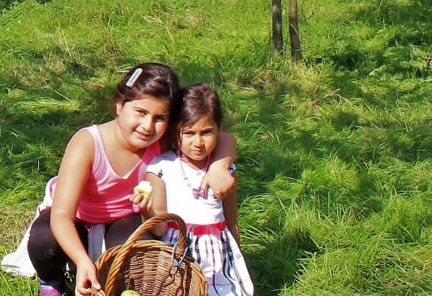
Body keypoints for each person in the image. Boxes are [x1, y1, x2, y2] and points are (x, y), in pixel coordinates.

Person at [16, 63, 236, 296]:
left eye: (160, 118)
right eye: (140, 112)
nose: (148, 126)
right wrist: (82, 261)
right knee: (44, 243)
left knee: (134, 252)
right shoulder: (88, 143)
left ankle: (108, 275)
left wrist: (220, 166)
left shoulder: (160, 140)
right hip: (79, 216)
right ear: (120, 105)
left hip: (125, 217)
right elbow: (62, 215)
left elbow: (222, 137)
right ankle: (51, 280)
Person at [145, 83, 256, 296]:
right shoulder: (161, 167)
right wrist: (145, 209)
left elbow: (231, 220)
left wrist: (237, 258)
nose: (198, 142)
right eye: (188, 133)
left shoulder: (224, 170)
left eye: (206, 132)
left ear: (218, 129)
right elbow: (158, 228)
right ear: (175, 130)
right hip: (178, 252)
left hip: (218, 255)